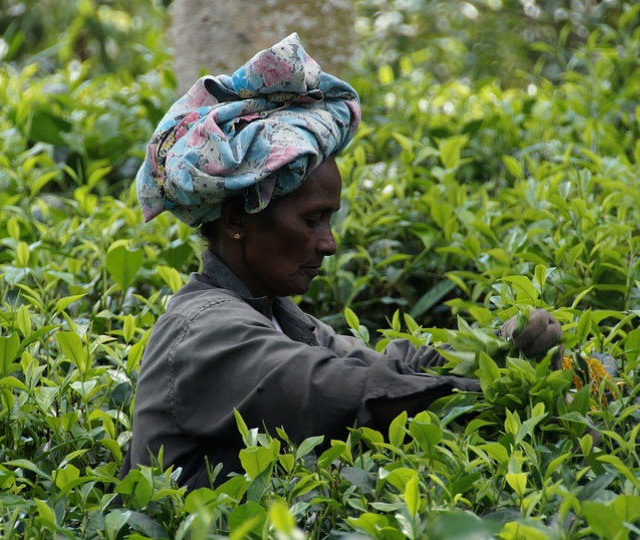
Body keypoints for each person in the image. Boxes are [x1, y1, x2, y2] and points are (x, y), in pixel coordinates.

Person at [123, 34, 562, 489]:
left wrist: (499, 347)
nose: (329, 244)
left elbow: (387, 363)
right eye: (313, 220)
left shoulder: (278, 319)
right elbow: (342, 391)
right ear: (238, 219)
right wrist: (494, 391)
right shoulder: (204, 332)